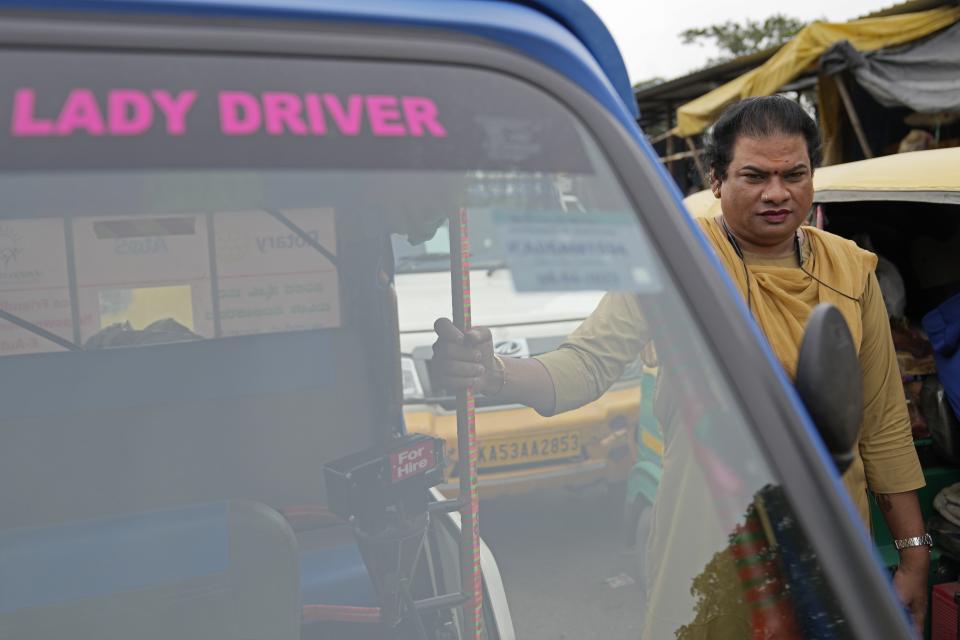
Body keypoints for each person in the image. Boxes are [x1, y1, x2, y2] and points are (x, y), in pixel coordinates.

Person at [432, 96, 928, 634]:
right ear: (716, 179)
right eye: (755, 176)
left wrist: (913, 554)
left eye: (794, 174)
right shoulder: (675, 263)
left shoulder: (851, 270)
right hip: (712, 545)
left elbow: (882, 423)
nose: (778, 193)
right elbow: (586, 365)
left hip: (829, 546)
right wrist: (495, 373)